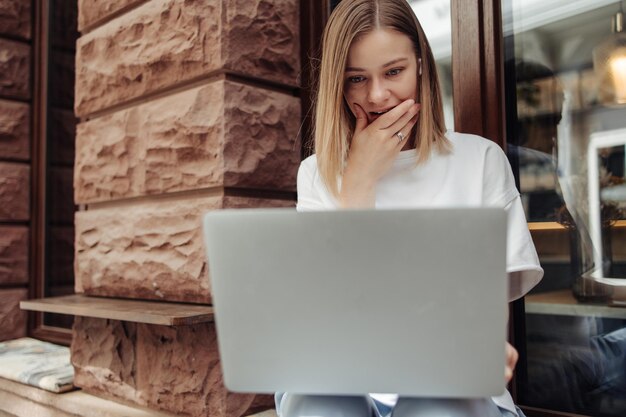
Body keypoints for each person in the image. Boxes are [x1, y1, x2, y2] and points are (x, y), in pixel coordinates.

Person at [276, 1, 544, 416]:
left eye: (394, 72)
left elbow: (488, 315)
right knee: (319, 394)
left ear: (420, 65)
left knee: (433, 399)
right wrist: (359, 182)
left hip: (452, 390)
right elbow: (328, 316)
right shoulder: (317, 174)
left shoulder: (480, 160)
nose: (377, 94)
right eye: (357, 79)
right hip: (348, 382)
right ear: (338, 85)